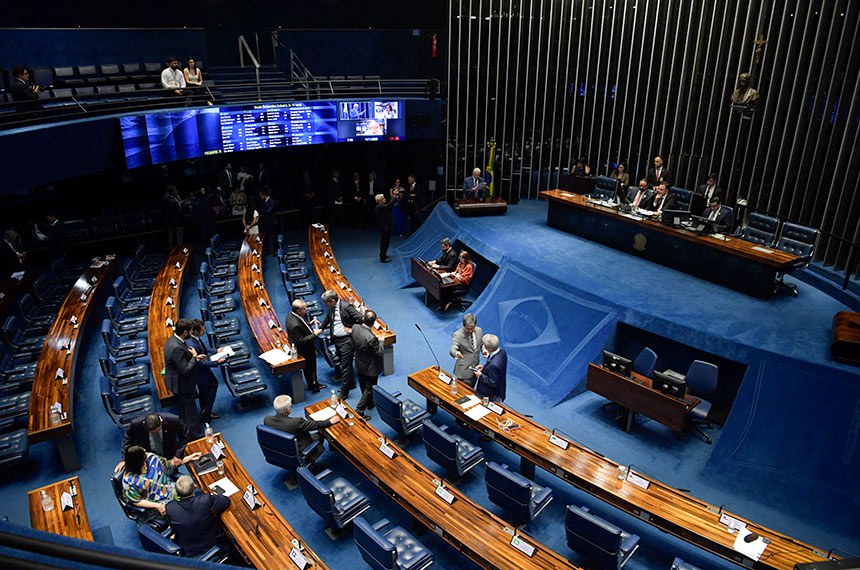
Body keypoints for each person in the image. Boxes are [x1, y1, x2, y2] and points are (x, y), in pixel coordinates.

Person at [120, 445, 201, 517]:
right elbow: (136, 501)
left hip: (173, 489)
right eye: (142, 452)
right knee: (190, 514)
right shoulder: (128, 480)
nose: (145, 450)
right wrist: (157, 506)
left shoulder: (152, 458)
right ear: (138, 461)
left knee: (195, 495)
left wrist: (188, 458)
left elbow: (170, 465)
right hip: (158, 503)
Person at [165, 475, 230, 557]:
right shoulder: (205, 500)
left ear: (177, 492)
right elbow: (226, 501)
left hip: (187, 550)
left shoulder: (170, 508)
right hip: (211, 545)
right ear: (194, 488)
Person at [165, 318, 208, 436]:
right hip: (181, 384)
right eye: (190, 331)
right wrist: (194, 356)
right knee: (190, 412)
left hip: (180, 381)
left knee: (186, 409)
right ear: (184, 332)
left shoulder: (173, 340)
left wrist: (194, 358)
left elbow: (182, 360)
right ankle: (194, 436)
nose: (191, 333)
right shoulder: (176, 347)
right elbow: (185, 370)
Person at [263, 394, 340, 462]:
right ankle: (310, 458)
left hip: (281, 450)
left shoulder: (267, 420)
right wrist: (330, 422)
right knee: (320, 434)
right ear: (287, 410)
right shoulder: (296, 422)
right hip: (299, 451)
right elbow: (315, 425)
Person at [321, 290, 363, 399]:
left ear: (332, 301)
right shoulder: (332, 307)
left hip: (347, 342)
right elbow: (328, 318)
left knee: (345, 367)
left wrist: (352, 329)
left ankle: (344, 393)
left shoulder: (346, 307)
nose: (325, 304)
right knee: (343, 364)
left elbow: (361, 319)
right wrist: (321, 328)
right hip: (337, 340)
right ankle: (351, 383)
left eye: (326, 302)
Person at [186, 319, 226, 423]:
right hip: (200, 374)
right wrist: (217, 362)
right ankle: (205, 414)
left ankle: (206, 410)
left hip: (205, 371)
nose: (204, 331)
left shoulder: (196, 339)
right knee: (204, 393)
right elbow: (200, 363)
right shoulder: (192, 344)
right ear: (194, 331)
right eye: (202, 330)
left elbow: (205, 350)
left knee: (213, 385)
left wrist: (216, 351)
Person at [120, 413, 189, 472]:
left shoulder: (173, 420)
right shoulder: (136, 424)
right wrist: (124, 459)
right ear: (144, 425)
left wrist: (178, 455)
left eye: (157, 431)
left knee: (171, 473)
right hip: (147, 456)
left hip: (168, 454)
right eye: (152, 433)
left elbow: (186, 435)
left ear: (161, 423)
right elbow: (127, 439)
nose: (154, 434)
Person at [285, 299, 326, 394]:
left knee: (309, 367)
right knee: (310, 367)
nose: (306, 309)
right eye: (304, 308)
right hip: (305, 349)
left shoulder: (291, 315)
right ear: (298, 310)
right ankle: (314, 386)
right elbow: (301, 341)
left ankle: (312, 383)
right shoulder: (294, 324)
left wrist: (309, 324)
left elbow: (301, 326)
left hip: (304, 346)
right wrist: (315, 334)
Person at [352, 311, 384, 420]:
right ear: (373, 323)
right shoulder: (371, 338)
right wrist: (381, 342)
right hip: (370, 367)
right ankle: (359, 410)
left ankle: (370, 403)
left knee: (363, 385)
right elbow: (379, 353)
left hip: (359, 362)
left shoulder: (355, 327)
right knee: (369, 388)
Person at [449, 313, 484, 388]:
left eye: (472, 328)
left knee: (471, 390)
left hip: (475, 368)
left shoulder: (479, 331)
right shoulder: (458, 335)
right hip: (464, 371)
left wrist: (484, 350)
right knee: (463, 393)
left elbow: (481, 344)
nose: (471, 330)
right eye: (468, 329)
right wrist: (456, 353)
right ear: (463, 325)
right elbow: (453, 348)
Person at [474, 333, 507, 403]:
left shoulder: (494, 365)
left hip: (489, 395)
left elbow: (493, 382)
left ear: (489, 348)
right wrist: (485, 367)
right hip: (498, 390)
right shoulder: (502, 352)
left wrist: (480, 376)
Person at [258, 187, 277, 255]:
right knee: (266, 237)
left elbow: (269, 211)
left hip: (272, 222)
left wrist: (263, 211)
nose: (260, 197)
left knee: (273, 236)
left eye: (261, 195)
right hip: (266, 222)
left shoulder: (272, 201)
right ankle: (267, 251)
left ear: (264, 195)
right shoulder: (263, 202)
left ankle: (275, 250)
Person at [375, 193, 393, 263]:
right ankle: (382, 257)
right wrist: (394, 198)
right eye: (383, 198)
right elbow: (389, 206)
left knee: (386, 242)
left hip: (386, 227)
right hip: (384, 227)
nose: (384, 199)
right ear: (379, 200)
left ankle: (384, 254)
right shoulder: (379, 207)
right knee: (384, 242)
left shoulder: (382, 206)